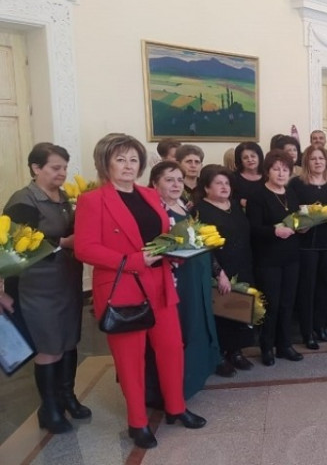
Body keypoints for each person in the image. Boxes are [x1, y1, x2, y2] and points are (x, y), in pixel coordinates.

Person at [75, 133, 205, 449]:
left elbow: (162, 235)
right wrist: (133, 260)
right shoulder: (93, 200)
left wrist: (176, 250)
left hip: (160, 283)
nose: (128, 165)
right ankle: (138, 423)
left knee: (172, 348)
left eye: (134, 159)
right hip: (123, 286)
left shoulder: (148, 194)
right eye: (120, 159)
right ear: (105, 163)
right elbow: (84, 248)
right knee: (131, 360)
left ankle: (175, 408)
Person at [4, 143, 87, 434]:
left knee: (69, 340)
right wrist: (64, 243)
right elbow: (13, 248)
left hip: (67, 281)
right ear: (36, 168)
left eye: (65, 167)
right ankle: (49, 408)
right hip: (37, 287)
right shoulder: (23, 200)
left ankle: (68, 396)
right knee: (49, 346)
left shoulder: (64, 198)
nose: (62, 173)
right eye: (55, 167)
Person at [148, 162, 222, 396]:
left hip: (195, 277)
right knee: (179, 331)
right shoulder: (155, 211)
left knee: (196, 325)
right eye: (169, 180)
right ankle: (173, 388)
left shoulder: (183, 205)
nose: (176, 185)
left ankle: (193, 377)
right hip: (175, 280)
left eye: (179, 180)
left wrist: (216, 270)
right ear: (155, 184)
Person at [192, 165, 255, 374]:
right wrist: (218, 273)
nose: (224, 187)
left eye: (227, 183)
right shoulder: (200, 210)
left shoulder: (234, 205)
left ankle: (235, 351)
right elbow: (202, 246)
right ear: (206, 187)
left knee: (238, 309)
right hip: (218, 270)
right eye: (218, 183)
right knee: (220, 312)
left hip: (242, 265)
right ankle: (218, 355)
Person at [246, 150, 304, 365]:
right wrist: (274, 231)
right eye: (276, 169)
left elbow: (296, 220)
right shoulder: (257, 196)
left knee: (288, 303)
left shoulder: (291, 194)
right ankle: (266, 347)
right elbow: (252, 229)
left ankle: (284, 345)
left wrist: (303, 227)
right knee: (271, 304)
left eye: (285, 170)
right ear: (267, 171)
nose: (281, 173)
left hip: (291, 257)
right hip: (268, 259)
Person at [289, 146, 327, 349]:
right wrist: (300, 223)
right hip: (307, 243)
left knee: (325, 286)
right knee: (307, 288)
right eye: (313, 159)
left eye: (321, 158)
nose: (318, 162)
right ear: (306, 162)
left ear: (326, 162)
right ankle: (307, 332)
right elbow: (292, 212)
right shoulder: (297, 184)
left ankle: (320, 326)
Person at [232, 141, 264, 208]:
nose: (250, 159)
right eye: (245, 157)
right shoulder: (233, 177)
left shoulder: (268, 176)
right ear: (240, 160)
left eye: (253, 156)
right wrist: (239, 201)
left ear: (259, 157)